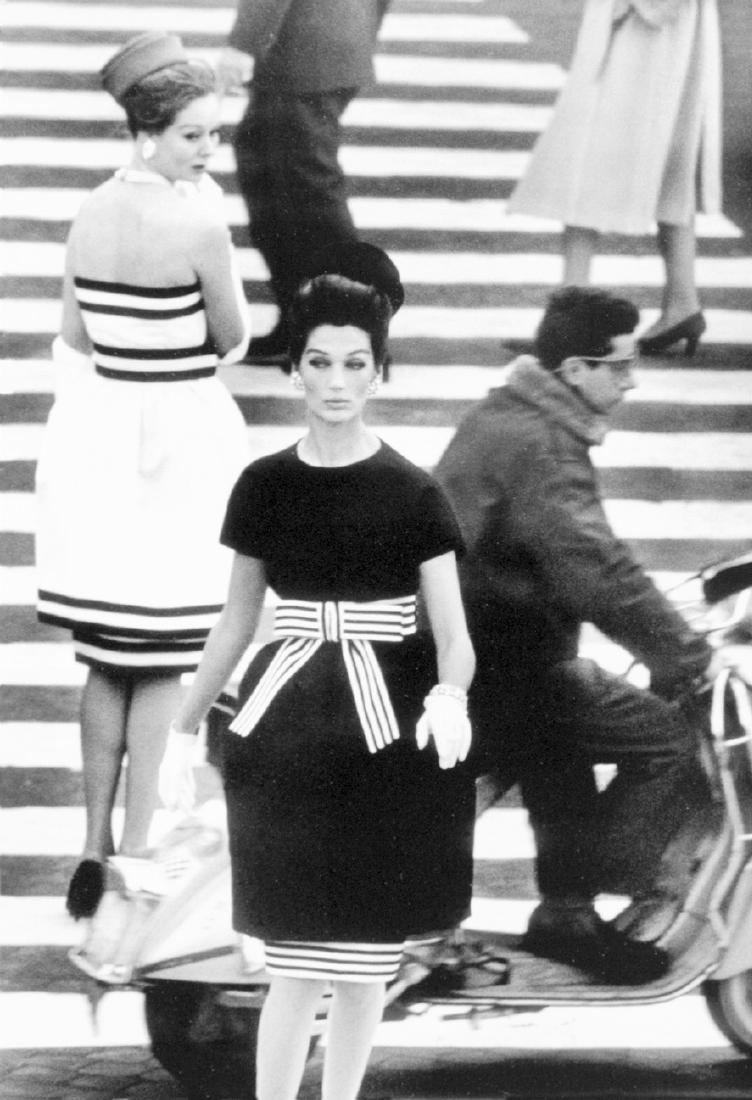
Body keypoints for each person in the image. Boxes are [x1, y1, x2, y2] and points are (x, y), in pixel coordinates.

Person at [158, 242, 475, 1100]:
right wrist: (182, 731)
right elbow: (237, 619)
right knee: (294, 961)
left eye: (356, 363)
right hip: (286, 732)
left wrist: (450, 693)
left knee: (365, 960)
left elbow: (453, 629)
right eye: (319, 362)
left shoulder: (413, 492)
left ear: (380, 372)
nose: (337, 381)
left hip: (384, 731)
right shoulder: (262, 485)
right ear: (294, 370)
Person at [434, 286, 724, 984]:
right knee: (666, 741)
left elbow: (584, 565)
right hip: (498, 667)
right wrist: (688, 657)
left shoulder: (505, 416)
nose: (630, 382)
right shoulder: (545, 449)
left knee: (563, 742)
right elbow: (596, 570)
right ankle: (599, 887)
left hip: (478, 653)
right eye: (619, 368)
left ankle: (568, 912)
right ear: (574, 371)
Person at [34, 31, 250, 921]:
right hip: (180, 437)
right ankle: (132, 851)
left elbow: (77, 335)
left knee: (107, 656)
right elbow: (233, 335)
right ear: (150, 131)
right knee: (166, 652)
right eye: (196, 134)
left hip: (100, 433)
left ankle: (90, 839)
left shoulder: (91, 211)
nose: (210, 150)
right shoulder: (198, 220)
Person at [508, 0, 722, 357]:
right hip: (665, 25)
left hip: (646, 26)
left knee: (589, 154)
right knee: (669, 162)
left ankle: (570, 320)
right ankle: (682, 302)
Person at [218, 0, 392, 364]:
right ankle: (305, 324)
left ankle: (357, 332)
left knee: (305, 190)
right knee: (274, 177)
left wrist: (244, 42)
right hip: (328, 41)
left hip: (304, 48)